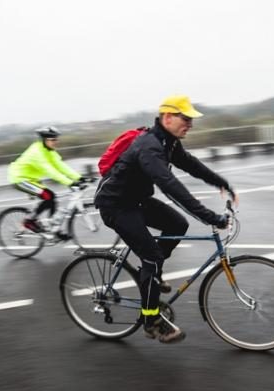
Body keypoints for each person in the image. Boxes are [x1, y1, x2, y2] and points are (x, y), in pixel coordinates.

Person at [94, 95, 235, 344]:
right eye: (186, 118)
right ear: (167, 117)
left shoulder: (168, 142)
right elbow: (170, 186)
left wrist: (220, 182)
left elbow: (191, 165)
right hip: (116, 205)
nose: (190, 124)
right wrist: (210, 217)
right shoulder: (148, 146)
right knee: (152, 256)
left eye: (191, 119)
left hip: (137, 200)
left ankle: (149, 275)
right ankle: (151, 321)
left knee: (178, 225)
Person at [8, 126, 87, 233]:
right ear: (44, 140)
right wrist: (70, 182)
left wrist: (79, 177)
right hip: (19, 178)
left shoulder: (50, 151)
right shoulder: (36, 152)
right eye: (53, 140)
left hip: (32, 179)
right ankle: (29, 221)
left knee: (52, 199)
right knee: (48, 195)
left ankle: (53, 230)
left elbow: (60, 166)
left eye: (56, 139)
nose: (56, 142)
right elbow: (50, 171)